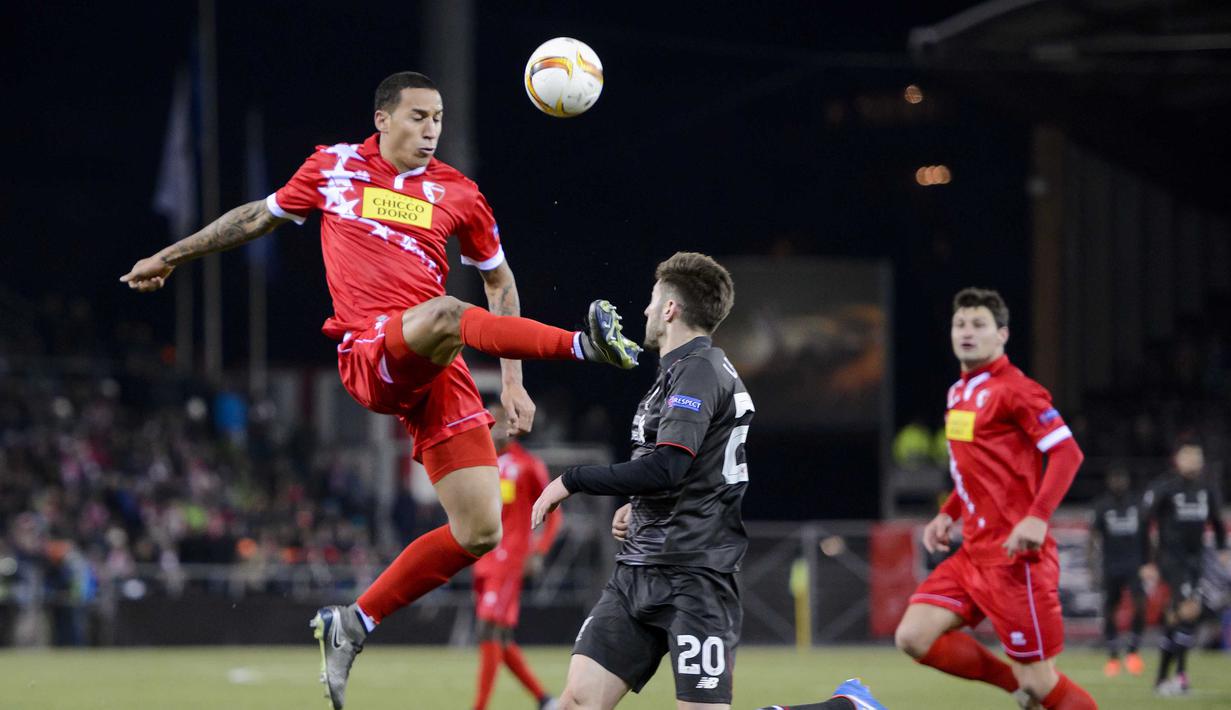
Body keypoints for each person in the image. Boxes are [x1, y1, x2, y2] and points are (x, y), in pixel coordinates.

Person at [120, 71, 642, 710]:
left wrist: (513, 383)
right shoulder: (333, 167)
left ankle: (352, 624)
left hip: (438, 368)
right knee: (448, 312)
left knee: (480, 530)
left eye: (439, 119)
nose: (431, 130)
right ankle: (585, 345)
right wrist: (172, 256)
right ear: (382, 119)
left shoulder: (460, 193)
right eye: (419, 117)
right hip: (372, 351)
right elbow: (258, 216)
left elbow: (500, 285)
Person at [531, 252, 751, 710]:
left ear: (671, 309)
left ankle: (846, 705)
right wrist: (641, 502)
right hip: (638, 570)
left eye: (653, 301)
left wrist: (572, 480)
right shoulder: (680, 372)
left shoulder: (699, 371)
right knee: (576, 702)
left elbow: (668, 466)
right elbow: (685, 468)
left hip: (695, 576)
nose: (646, 311)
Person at [892, 288, 1097, 709]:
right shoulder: (959, 393)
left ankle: (1031, 688)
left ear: (1002, 334)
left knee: (1042, 681)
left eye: (979, 325)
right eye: (960, 324)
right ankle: (1018, 688)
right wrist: (947, 513)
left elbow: (1066, 452)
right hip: (973, 556)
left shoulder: (1016, 390)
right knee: (913, 636)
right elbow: (974, 470)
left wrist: (1038, 517)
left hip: (1015, 559)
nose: (967, 332)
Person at [472, 403, 562, 710]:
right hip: (484, 556)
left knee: (488, 627)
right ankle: (544, 699)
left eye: (499, 424)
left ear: (512, 427)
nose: (494, 429)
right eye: (489, 423)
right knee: (501, 637)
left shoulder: (527, 464)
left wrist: (540, 550)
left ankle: (480, 706)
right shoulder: (482, 463)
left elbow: (554, 512)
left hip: (511, 558)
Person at [1141, 439, 1229, 696]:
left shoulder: (1207, 489)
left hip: (1196, 559)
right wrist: (1148, 560)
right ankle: (1180, 677)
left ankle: (1160, 680)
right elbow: (1144, 521)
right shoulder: (1165, 488)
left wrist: (1223, 549)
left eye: (1197, 457)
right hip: (1172, 558)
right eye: (1188, 456)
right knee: (1190, 611)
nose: (1193, 461)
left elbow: (1218, 521)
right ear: (1178, 460)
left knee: (1177, 618)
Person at [1088, 467, 1146, 677]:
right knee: (1109, 608)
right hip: (1111, 565)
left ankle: (1133, 651)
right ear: (1109, 481)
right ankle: (1113, 655)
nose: (1119, 482)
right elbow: (1092, 537)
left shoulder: (1136, 504)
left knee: (1140, 605)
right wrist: (1092, 566)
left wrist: (1149, 562)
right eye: (1115, 478)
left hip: (1135, 565)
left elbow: (1148, 534)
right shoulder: (1102, 505)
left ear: (1128, 481)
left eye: (1122, 478)